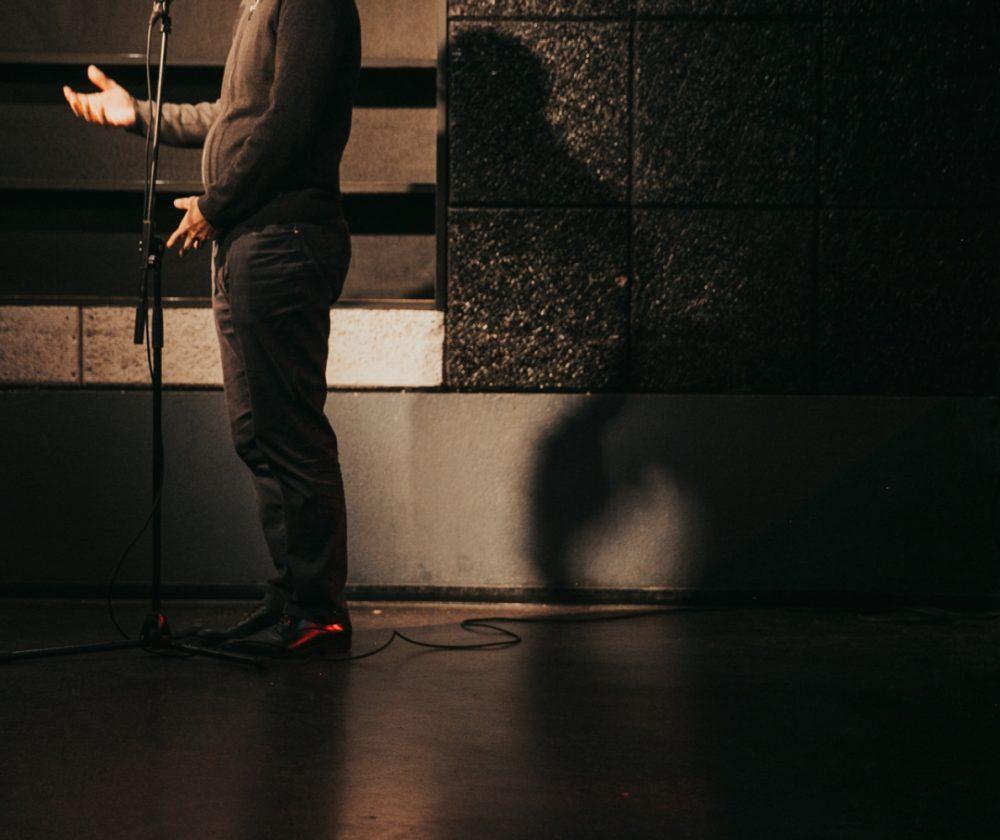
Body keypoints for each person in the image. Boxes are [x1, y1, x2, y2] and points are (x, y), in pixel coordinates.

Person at [63, 0, 362, 656]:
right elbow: (233, 116)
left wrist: (216, 205)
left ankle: (319, 612)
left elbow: (289, 122)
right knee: (257, 432)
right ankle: (294, 596)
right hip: (248, 238)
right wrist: (139, 114)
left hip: (283, 237)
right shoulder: (260, 4)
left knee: (290, 432)